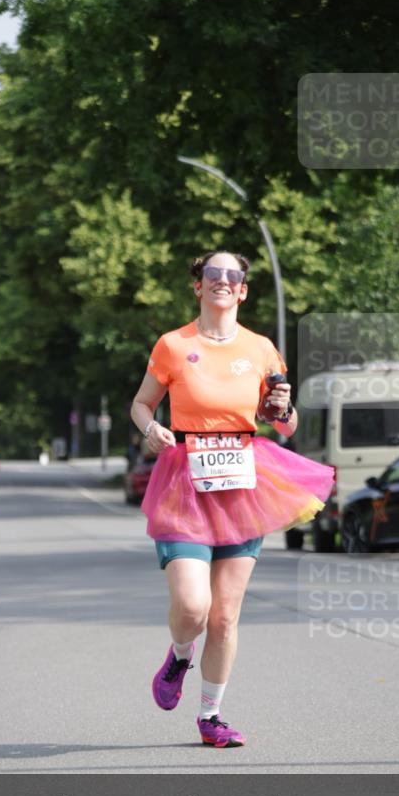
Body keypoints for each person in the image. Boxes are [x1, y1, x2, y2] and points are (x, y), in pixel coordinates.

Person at [130, 250, 335, 748]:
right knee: (193, 606)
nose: (222, 281)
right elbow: (141, 404)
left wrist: (282, 409)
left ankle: (211, 716)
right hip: (185, 482)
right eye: (212, 274)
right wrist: (151, 429)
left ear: (242, 290)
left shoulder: (261, 348)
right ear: (198, 286)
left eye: (232, 275)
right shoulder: (174, 345)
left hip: (242, 483)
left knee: (224, 615)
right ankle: (180, 655)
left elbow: (285, 424)